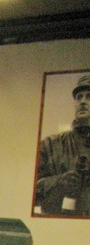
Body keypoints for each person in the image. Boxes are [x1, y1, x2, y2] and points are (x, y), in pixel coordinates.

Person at [35, 74, 90, 216]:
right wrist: (58, 182)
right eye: (79, 97)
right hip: (59, 223)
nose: (82, 102)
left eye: (89, 97)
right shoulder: (51, 145)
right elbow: (29, 192)